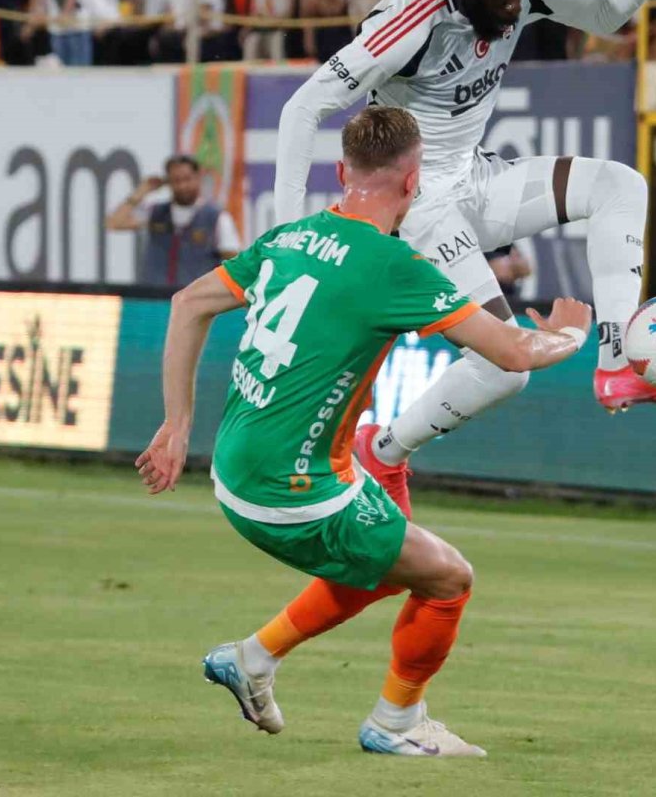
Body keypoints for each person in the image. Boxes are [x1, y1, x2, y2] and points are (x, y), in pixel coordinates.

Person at [135, 106, 593, 756]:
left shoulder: (291, 237)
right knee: (447, 579)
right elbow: (513, 354)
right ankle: (396, 722)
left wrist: (176, 426)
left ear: (341, 170)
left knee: (385, 558)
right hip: (293, 493)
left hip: (236, 467)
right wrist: (569, 332)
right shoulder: (391, 265)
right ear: (414, 184)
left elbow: (187, 304)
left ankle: (254, 657)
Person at [273, 0, 656, 506]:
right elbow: (302, 109)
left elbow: (606, 13)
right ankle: (382, 452)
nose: (515, 6)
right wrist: (288, 239)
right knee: (508, 365)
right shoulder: (412, 18)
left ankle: (619, 363)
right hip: (414, 204)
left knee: (621, 186)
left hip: (473, 179)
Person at [106, 153, 241, 287]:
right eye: (176, 180)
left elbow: (234, 261)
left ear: (198, 177)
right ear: (168, 182)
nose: (182, 186)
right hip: (154, 298)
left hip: (196, 302)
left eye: (187, 179)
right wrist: (141, 192)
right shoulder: (155, 212)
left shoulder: (217, 218)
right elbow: (113, 223)